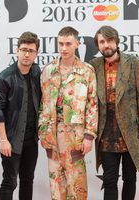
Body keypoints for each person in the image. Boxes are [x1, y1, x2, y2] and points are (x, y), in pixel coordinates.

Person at [89, 26, 139, 200]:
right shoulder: (93, 66)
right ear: (98, 45)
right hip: (106, 133)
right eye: (102, 42)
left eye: (109, 40)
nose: (106, 45)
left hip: (131, 131)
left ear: (116, 41)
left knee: (130, 178)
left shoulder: (134, 63)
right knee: (109, 180)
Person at [38, 26, 98, 200]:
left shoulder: (87, 71)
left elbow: (92, 105)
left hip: (75, 138)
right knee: (56, 188)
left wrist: (89, 136)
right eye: (61, 44)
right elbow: (43, 104)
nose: (64, 48)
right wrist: (43, 132)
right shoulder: (48, 70)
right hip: (52, 137)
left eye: (68, 44)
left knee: (77, 188)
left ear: (77, 44)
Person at [0, 31, 41, 200]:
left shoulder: (36, 73)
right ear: (17, 50)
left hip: (31, 140)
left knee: (28, 181)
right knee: (10, 182)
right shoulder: (4, 78)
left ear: (36, 53)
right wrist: (3, 140)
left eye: (31, 51)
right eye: (24, 49)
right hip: (11, 140)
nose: (27, 54)